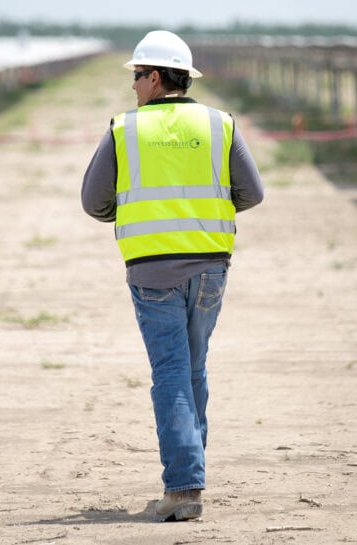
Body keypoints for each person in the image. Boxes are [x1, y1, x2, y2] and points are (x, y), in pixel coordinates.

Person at [81, 30, 264, 522]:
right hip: (210, 267)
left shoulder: (125, 129)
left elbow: (92, 203)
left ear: (156, 77)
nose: (133, 86)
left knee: (170, 372)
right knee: (193, 368)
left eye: (137, 76)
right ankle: (191, 475)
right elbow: (251, 193)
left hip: (152, 270)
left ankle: (183, 488)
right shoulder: (220, 123)